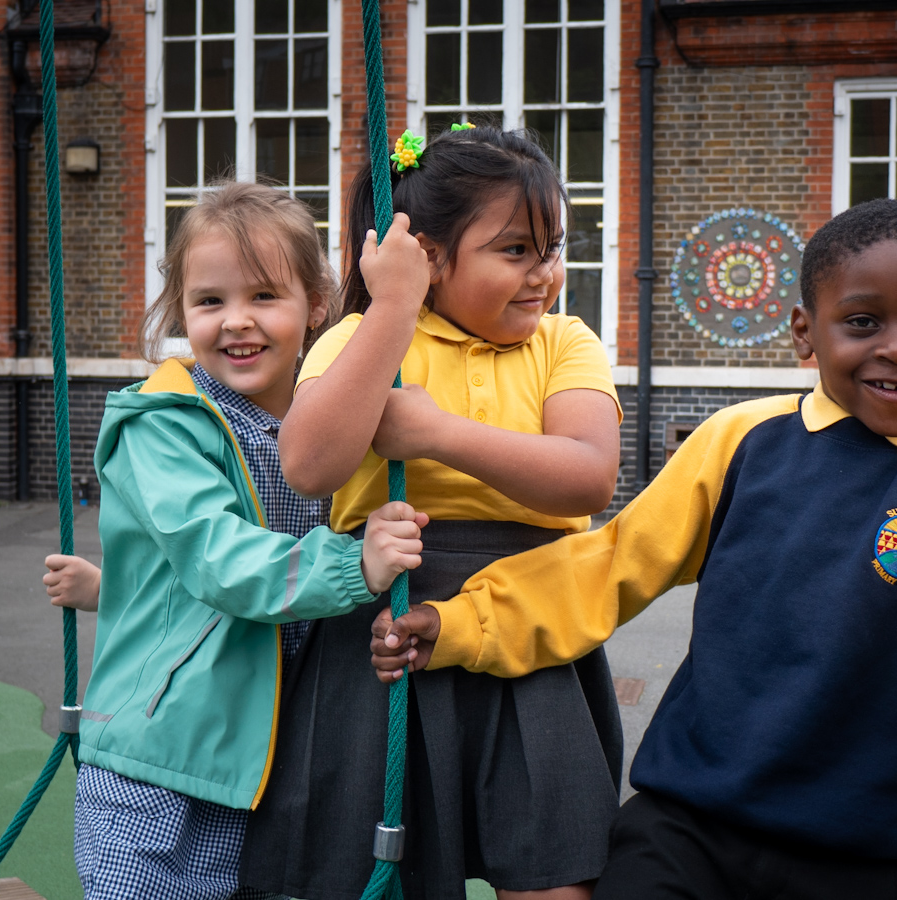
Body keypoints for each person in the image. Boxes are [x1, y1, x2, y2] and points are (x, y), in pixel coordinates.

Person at [371, 198, 897, 900]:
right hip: (688, 817)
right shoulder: (743, 439)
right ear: (805, 332)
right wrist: (462, 622)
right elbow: (613, 563)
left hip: (850, 839)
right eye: (863, 322)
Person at [240, 126, 624, 900]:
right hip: (388, 629)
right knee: (378, 869)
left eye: (553, 248)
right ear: (429, 257)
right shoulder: (361, 340)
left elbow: (589, 478)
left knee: (555, 872)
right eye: (516, 250)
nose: (545, 273)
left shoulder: (563, 342)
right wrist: (393, 308)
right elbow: (310, 466)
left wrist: (436, 434)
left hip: (532, 629)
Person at [73, 181, 428, 900]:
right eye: (210, 301)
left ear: (316, 304)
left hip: (276, 760)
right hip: (158, 765)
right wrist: (355, 565)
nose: (237, 321)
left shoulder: (325, 432)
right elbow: (215, 558)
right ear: (181, 310)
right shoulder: (160, 425)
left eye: (264, 295)